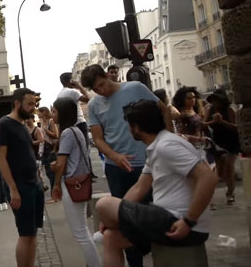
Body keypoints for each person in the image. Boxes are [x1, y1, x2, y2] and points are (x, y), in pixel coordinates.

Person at [95, 100, 216, 267]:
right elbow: (139, 188)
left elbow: (208, 177)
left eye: (128, 125)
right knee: (111, 238)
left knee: (104, 204)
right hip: (164, 219)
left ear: (136, 127)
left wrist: (188, 221)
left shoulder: (166, 146)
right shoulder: (157, 146)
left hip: (178, 221)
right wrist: (112, 218)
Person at [81, 64, 171, 267]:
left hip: (147, 161)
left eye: (101, 85)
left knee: (153, 213)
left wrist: (166, 140)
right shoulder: (95, 105)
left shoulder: (135, 88)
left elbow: (164, 111)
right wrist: (114, 156)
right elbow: (98, 138)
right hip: (117, 168)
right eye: (95, 89)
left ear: (107, 76)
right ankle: (135, 263)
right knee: (124, 219)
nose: (100, 91)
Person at [0, 88, 44, 267]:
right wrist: (13, 189)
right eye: (30, 104)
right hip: (21, 187)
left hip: (34, 185)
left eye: (34, 104)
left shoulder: (23, 125)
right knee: (25, 234)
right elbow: (1, 159)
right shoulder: (4, 124)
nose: (33, 108)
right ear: (17, 103)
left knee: (32, 234)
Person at [50, 98, 101, 267]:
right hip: (81, 180)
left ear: (62, 113)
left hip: (72, 183)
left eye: (54, 111)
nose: (52, 115)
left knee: (79, 232)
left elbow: (62, 164)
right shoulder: (77, 131)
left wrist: (56, 184)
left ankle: (95, 264)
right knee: (82, 229)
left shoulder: (66, 133)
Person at [205, 88, 240, 205]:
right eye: (214, 101)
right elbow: (204, 124)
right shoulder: (210, 110)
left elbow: (236, 127)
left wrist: (222, 121)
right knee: (219, 170)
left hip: (231, 142)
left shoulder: (229, 110)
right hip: (217, 141)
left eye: (217, 100)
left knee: (229, 167)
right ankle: (213, 193)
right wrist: (213, 121)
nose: (215, 103)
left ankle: (230, 193)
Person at [57, 72, 91, 146]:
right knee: (85, 147)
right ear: (71, 81)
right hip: (79, 122)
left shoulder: (59, 95)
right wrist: (79, 86)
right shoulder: (73, 92)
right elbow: (88, 99)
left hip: (68, 125)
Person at [37, 107, 59, 200]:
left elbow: (56, 135)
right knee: (48, 172)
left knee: (52, 173)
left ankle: (55, 195)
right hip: (45, 149)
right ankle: (54, 194)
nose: (37, 114)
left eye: (39, 112)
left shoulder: (50, 121)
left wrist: (45, 131)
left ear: (44, 112)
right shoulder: (42, 123)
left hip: (51, 148)